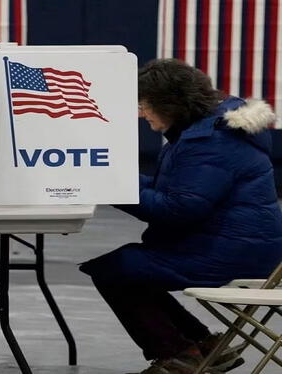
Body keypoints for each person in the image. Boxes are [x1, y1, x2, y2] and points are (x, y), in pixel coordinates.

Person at [80, 59, 282, 374]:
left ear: (171, 103)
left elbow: (178, 210)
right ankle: (204, 345)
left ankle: (178, 356)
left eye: (143, 105)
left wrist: (112, 186)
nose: (139, 113)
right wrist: (111, 178)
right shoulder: (206, 131)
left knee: (119, 270)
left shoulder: (211, 142)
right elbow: (175, 192)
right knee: (128, 267)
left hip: (236, 255)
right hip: (240, 246)